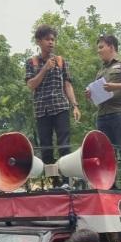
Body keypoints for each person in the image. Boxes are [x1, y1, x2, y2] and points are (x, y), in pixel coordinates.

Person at [25, 25, 81, 185]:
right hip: (42, 110)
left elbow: (68, 85)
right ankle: (53, 182)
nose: (51, 43)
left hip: (60, 107)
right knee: (46, 148)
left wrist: (75, 105)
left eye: (53, 39)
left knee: (64, 145)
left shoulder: (61, 61)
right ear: (39, 41)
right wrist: (44, 69)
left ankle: (66, 180)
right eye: (47, 39)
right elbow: (31, 85)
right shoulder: (32, 62)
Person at [87, 35, 121, 191]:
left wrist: (115, 86)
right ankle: (110, 186)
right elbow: (98, 95)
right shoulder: (101, 71)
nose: (99, 51)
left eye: (101, 47)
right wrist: (90, 95)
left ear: (112, 47)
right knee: (106, 154)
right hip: (103, 115)